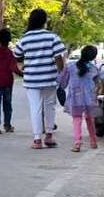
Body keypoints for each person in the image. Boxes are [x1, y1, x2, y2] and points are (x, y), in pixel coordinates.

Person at [12, 8, 66, 149]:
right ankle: (49, 136)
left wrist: (22, 67)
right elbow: (58, 57)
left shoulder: (25, 38)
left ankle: (37, 139)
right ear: (44, 21)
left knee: (35, 107)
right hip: (49, 77)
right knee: (50, 106)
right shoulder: (52, 37)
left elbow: (17, 55)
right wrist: (61, 72)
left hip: (32, 79)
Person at [59, 44, 100, 152]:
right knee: (90, 119)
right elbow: (97, 85)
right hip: (90, 98)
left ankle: (77, 143)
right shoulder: (94, 69)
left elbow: (62, 83)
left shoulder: (70, 66)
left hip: (76, 98)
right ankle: (93, 141)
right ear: (93, 57)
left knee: (77, 120)